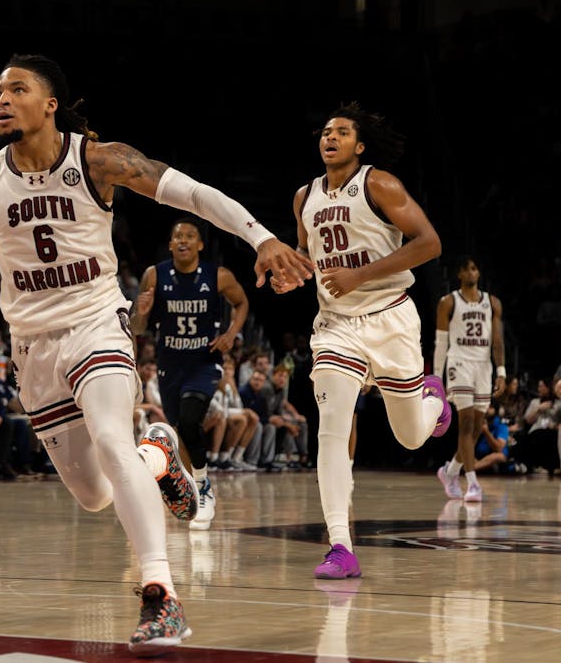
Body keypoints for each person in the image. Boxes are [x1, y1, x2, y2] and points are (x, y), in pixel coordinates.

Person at [0, 53, 313, 654]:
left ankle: (161, 594)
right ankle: (158, 456)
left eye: (17, 89)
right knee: (95, 495)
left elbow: (193, 194)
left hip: (96, 324)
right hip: (32, 346)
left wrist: (262, 238)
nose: (1, 99)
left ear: (50, 103)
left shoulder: (98, 160)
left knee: (111, 438)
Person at [271, 101, 451, 580]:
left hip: (390, 319)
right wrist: (291, 277)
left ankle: (432, 402)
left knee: (411, 437)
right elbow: (310, 259)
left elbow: (429, 243)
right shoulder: (303, 196)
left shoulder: (380, 184)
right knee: (331, 425)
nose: (330, 138)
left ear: (360, 144)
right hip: (336, 326)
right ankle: (340, 546)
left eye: (342, 132)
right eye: (326, 132)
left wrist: (362, 274)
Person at [130, 214, 250, 531]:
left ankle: (204, 485)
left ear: (199, 244)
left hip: (203, 362)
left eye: (189, 236)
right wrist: (141, 313)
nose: (182, 240)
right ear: (170, 244)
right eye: (177, 236)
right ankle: (192, 488)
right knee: (181, 429)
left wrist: (231, 334)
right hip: (170, 365)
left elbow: (241, 303)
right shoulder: (154, 275)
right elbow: (138, 327)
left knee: (190, 417)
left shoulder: (218, 276)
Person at [433, 255, 505, 503]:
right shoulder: (448, 302)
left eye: (475, 268)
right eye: (467, 269)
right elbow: (441, 343)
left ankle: (450, 471)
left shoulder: (492, 302)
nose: (472, 273)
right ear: (459, 275)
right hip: (459, 362)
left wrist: (502, 371)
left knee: (476, 426)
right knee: (465, 423)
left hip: (483, 366)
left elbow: (497, 340)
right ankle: (472, 483)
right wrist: (436, 377)